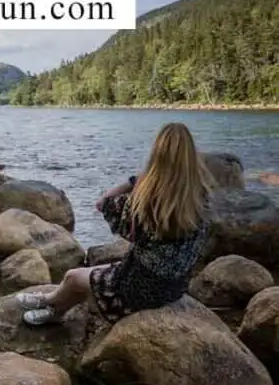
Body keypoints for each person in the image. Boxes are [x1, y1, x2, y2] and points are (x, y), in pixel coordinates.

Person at [17, 122, 212, 327]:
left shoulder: (148, 205)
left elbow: (103, 204)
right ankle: (54, 310)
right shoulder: (201, 199)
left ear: (157, 156)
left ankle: (49, 302)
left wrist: (133, 182)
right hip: (174, 286)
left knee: (73, 277)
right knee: (81, 277)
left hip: (138, 290)